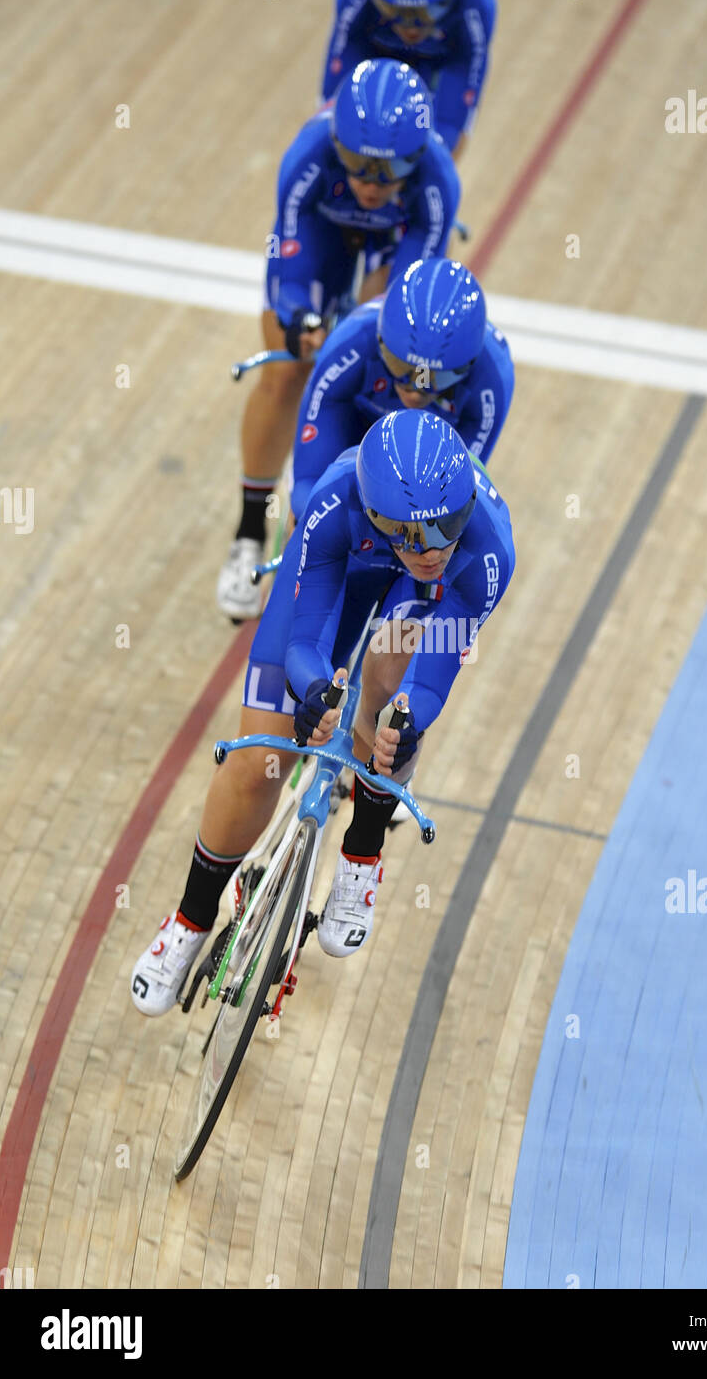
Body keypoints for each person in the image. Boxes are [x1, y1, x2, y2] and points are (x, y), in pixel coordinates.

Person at [133, 409, 514, 1015]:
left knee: (392, 695)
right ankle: (189, 920)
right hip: (348, 566)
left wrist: (411, 717)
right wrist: (313, 693)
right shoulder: (336, 504)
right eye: (413, 532)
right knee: (259, 761)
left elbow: (431, 678)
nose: (435, 546)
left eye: (448, 524)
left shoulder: (487, 550)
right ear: (377, 515)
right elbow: (304, 642)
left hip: (420, 602)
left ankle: (361, 856)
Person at [217, 57, 460, 620]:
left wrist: (362, 329)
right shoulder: (308, 154)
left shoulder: (436, 182)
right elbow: (290, 266)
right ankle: (250, 528)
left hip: (392, 249)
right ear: (338, 143)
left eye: (389, 170)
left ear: (416, 157)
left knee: (383, 375)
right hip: (324, 238)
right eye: (357, 164)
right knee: (282, 373)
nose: (372, 184)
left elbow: (406, 301)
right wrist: (300, 318)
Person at [288, 256, 514, 524]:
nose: (416, 390)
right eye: (401, 366)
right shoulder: (352, 341)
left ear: (470, 363)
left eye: (437, 376)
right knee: (308, 513)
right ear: (380, 340)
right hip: (353, 421)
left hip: (427, 454)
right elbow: (308, 484)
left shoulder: (492, 378)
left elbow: (459, 496)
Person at [322, 0, 497, 159]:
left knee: (443, 143)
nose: (411, 29)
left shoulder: (475, 0)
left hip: (442, 60)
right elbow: (330, 109)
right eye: (397, 10)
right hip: (375, 45)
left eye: (428, 10)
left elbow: (466, 70)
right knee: (340, 128)